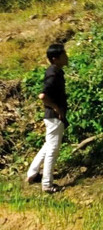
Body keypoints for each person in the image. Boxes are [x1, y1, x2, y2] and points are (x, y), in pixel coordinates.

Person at [26, 42, 68, 193]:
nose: (67, 57)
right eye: (64, 55)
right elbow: (42, 96)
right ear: (55, 58)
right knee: (52, 149)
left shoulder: (55, 71)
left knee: (47, 145)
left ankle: (32, 173)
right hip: (54, 117)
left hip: (52, 117)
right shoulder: (53, 73)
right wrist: (56, 107)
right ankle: (47, 184)